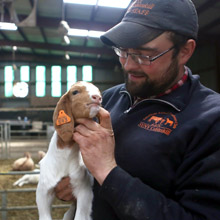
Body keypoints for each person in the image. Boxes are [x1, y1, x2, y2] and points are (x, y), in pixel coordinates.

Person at [55, 0, 220, 219]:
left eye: (145, 54)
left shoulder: (211, 120)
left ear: (185, 51)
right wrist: (79, 184)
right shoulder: (112, 97)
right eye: (123, 51)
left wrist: (107, 171)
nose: (129, 65)